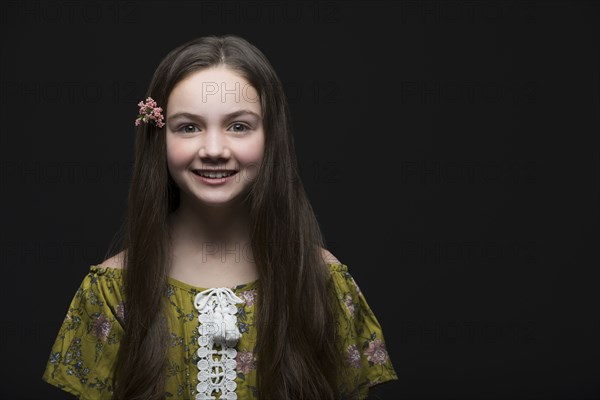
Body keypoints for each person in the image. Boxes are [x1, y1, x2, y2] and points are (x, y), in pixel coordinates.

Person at [41, 34, 398, 400]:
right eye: (189, 127)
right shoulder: (114, 292)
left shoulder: (322, 284)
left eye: (238, 126)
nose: (213, 150)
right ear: (159, 137)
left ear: (271, 136)